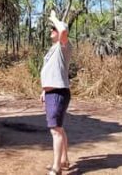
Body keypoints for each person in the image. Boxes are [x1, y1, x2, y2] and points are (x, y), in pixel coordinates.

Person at [40, 10, 72, 175]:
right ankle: (63, 160)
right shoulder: (53, 49)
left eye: (54, 29)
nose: (52, 30)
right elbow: (51, 71)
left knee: (55, 130)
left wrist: (54, 18)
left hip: (59, 93)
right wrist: (44, 91)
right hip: (52, 93)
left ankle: (56, 168)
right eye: (52, 28)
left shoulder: (63, 46)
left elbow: (64, 30)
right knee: (59, 128)